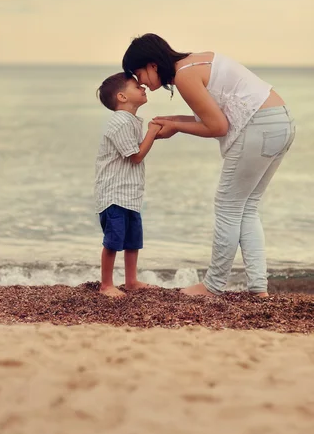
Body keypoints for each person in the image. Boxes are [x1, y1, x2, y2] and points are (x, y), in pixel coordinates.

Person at [122, 34, 295, 297]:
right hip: (280, 121)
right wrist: (175, 120)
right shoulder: (197, 61)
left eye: (139, 73)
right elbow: (216, 113)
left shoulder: (183, 77)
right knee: (247, 207)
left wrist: (177, 127)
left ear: (153, 65)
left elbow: (218, 126)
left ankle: (213, 286)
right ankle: (258, 289)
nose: (140, 81)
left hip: (259, 126)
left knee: (228, 206)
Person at [95, 72, 161, 297]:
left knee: (133, 239)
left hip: (129, 193)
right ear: (122, 97)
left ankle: (131, 281)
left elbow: (137, 148)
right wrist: (153, 131)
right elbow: (135, 155)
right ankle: (106, 284)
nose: (143, 88)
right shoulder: (120, 122)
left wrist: (154, 133)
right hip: (114, 193)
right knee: (113, 240)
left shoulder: (130, 120)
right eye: (137, 86)